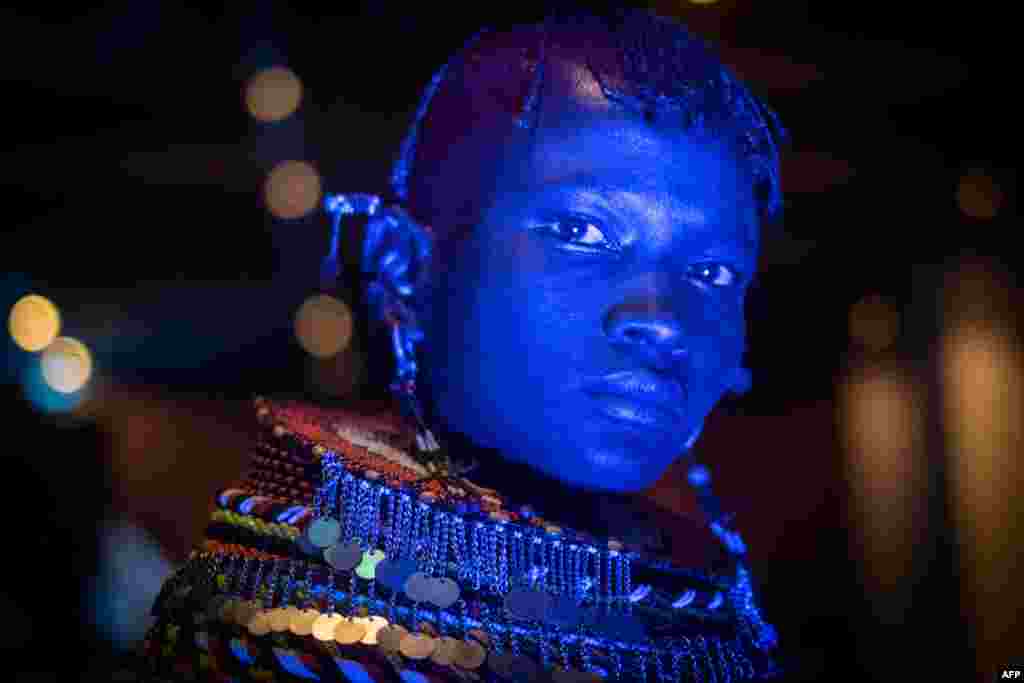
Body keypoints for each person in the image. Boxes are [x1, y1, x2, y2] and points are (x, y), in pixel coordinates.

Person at [142, 7, 787, 681]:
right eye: (580, 231)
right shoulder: (271, 628)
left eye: (713, 272)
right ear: (405, 268)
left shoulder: (705, 607)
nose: (664, 320)